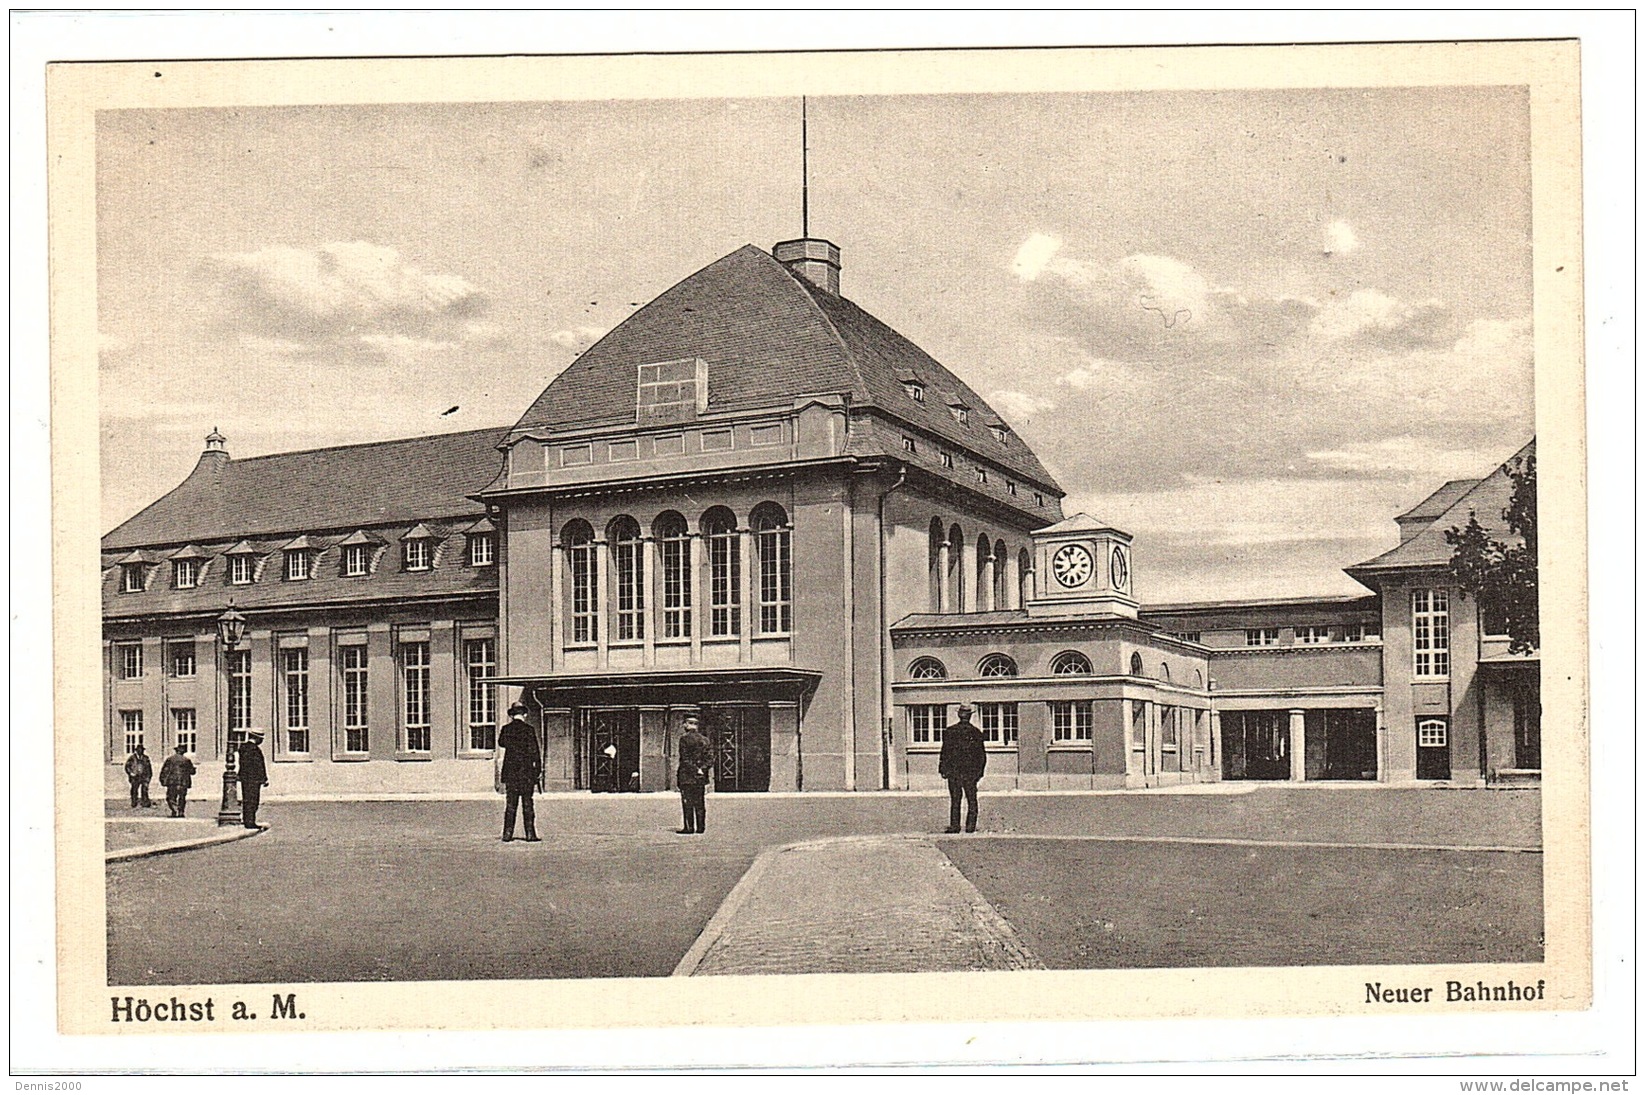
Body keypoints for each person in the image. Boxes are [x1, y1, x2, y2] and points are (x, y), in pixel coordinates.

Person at [938, 704, 987, 833]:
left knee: (955, 799)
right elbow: (981, 756)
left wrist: (943, 770)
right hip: (970, 773)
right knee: (972, 799)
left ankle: (955, 826)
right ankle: (970, 826)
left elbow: (945, 753)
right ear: (970, 716)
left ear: (959, 715)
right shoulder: (976, 733)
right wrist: (979, 773)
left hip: (954, 772)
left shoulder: (950, 731)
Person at [497, 701, 542, 842]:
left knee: (511, 804)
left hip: (511, 773)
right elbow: (535, 751)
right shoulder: (529, 729)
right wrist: (538, 770)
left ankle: (507, 834)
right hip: (527, 773)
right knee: (527, 804)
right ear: (525, 714)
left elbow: (501, 743)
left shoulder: (506, 729)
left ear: (512, 715)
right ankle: (530, 834)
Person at [675, 714, 713, 834]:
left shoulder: (684, 739)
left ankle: (689, 827)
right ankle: (701, 827)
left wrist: (695, 769)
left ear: (686, 724)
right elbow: (710, 758)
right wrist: (702, 769)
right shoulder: (705, 739)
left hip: (687, 776)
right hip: (700, 777)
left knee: (687, 802)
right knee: (700, 802)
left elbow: (685, 759)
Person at [237, 731, 269, 830]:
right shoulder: (254, 750)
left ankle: (248, 819)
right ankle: (250, 822)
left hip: (245, 778)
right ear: (257, 738)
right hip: (254, 779)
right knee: (253, 801)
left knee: (247, 799)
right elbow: (259, 766)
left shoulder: (243, 748)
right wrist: (264, 778)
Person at [158, 744, 196, 818]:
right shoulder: (186, 760)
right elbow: (192, 772)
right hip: (183, 782)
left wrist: (162, 779)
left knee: (170, 797)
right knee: (182, 797)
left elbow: (164, 770)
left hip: (172, 782)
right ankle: (181, 811)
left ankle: (174, 810)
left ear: (176, 751)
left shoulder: (170, 759)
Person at [124, 744, 154, 809]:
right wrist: (130, 773)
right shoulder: (132, 758)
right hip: (135, 777)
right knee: (134, 790)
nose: (140, 751)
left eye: (142, 750)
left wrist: (149, 777)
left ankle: (145, 803)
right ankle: (134, 803)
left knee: (144, 789)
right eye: (139, 750)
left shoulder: (146, 758)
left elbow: (149, 768)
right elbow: (127, 767)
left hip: (144, 776)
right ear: (136, 751)